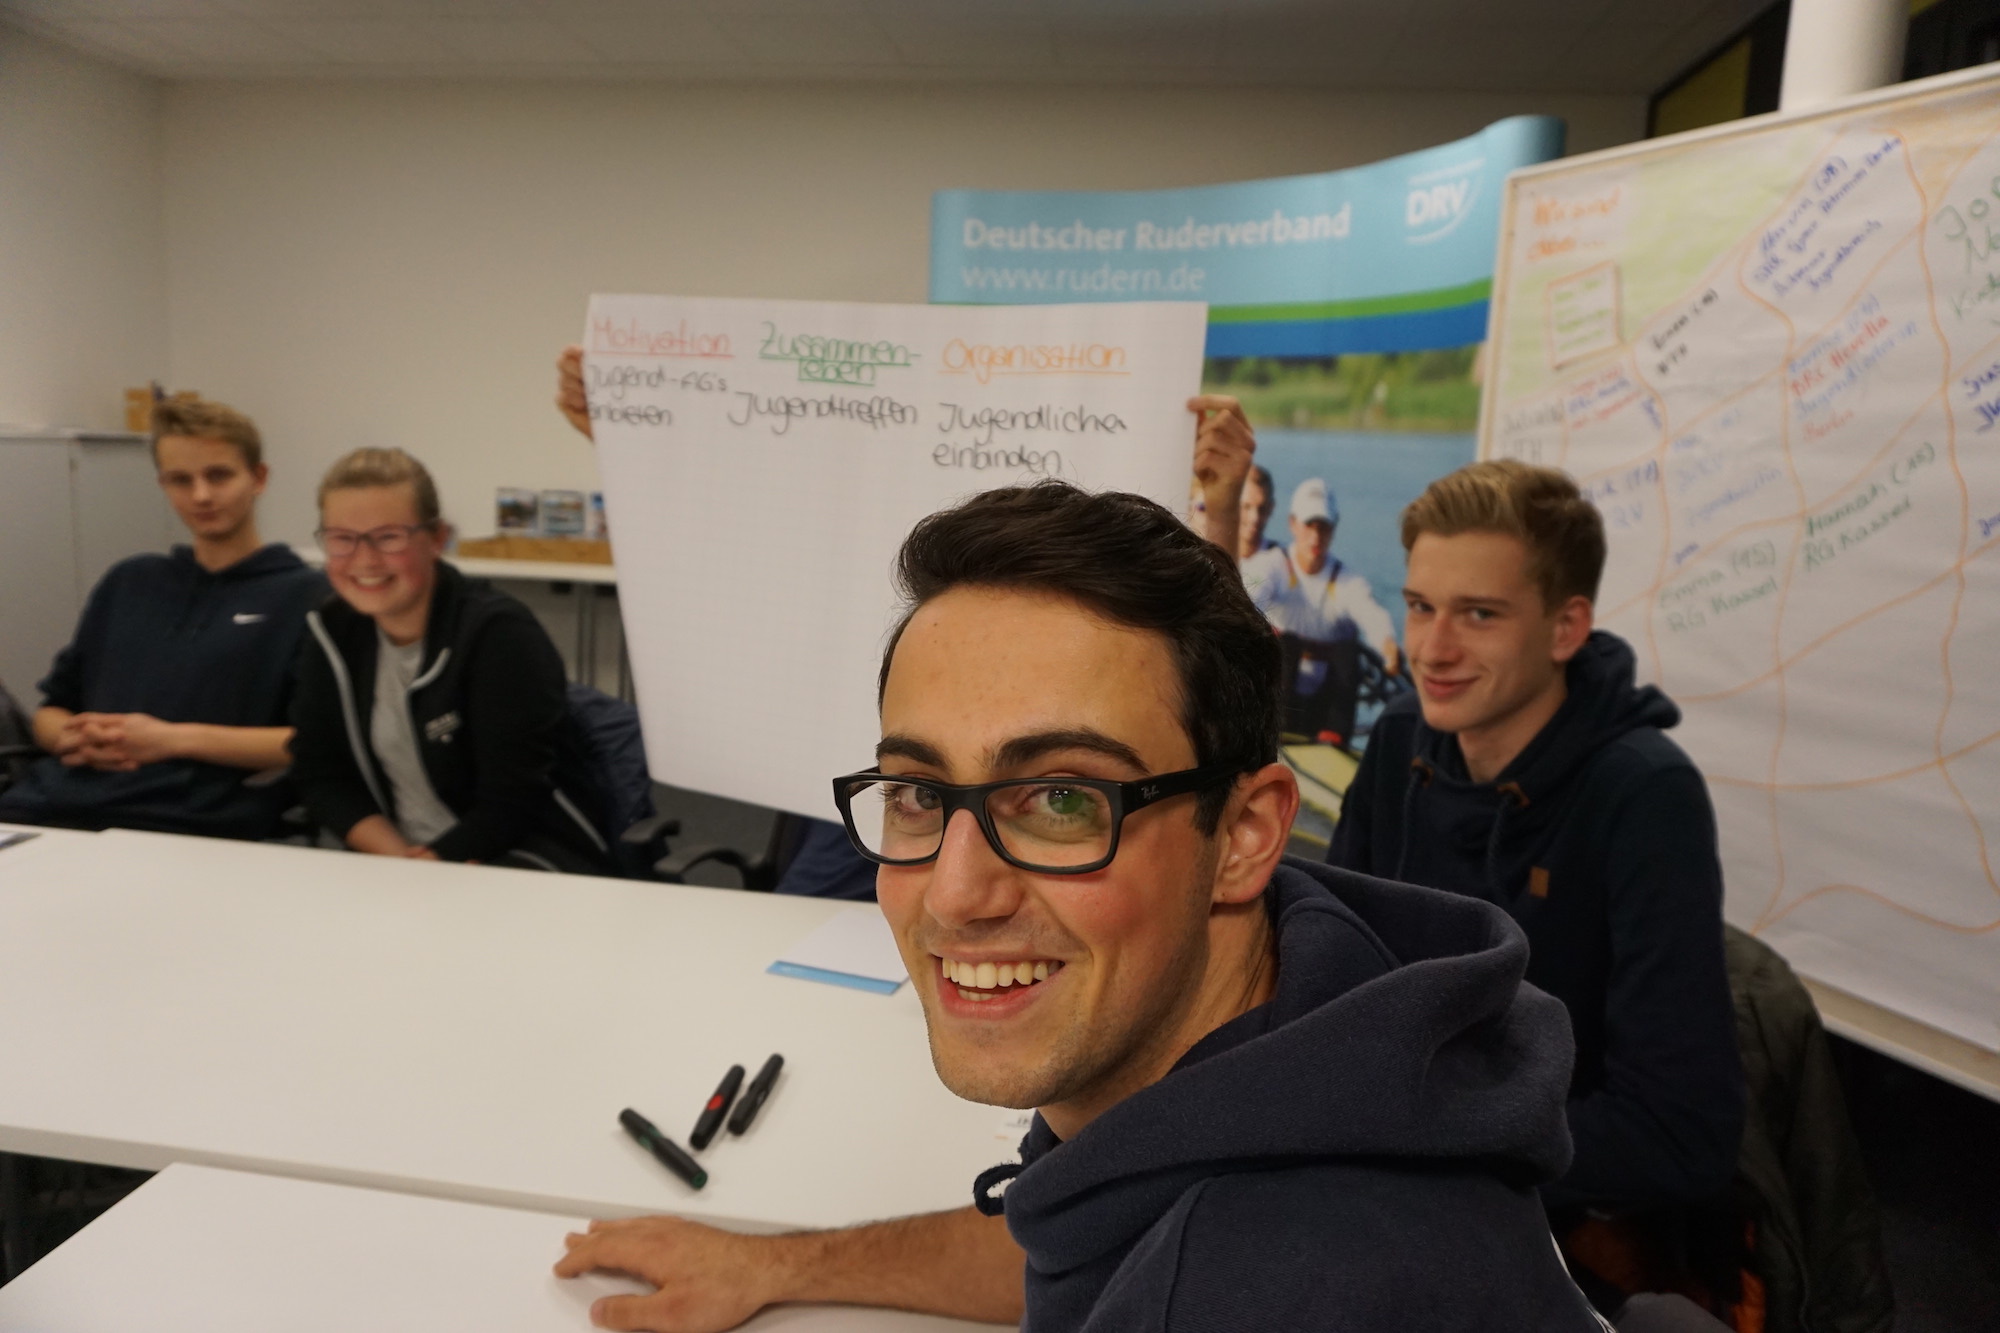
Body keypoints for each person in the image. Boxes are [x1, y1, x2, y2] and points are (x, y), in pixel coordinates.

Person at [557, 481, 1607, 1333]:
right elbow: (1085, 1224)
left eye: (1062, 798)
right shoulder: (1300, 1015)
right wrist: (779, 1265)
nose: (957, 893)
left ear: (1245, 833)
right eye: (919, 794)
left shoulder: (1284, 1281)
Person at [1328, 460, 1745, 1309]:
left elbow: (1680, 1131)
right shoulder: (1402, 738)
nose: (1433, 650)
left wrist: (1426, 1131)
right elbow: (1328, 967)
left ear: (1565, 628)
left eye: (1479, 614)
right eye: (1420, 606)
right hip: (1388, 1165)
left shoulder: (1643, 793)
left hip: (1540, 1210)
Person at [0, 396, 326, 839]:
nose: (201, 495)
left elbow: (312, 742)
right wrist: (71, 738)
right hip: (49, 809)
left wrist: (170, 740)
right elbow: (51, 711)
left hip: (185, 824)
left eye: (219, 475)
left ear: (258, 478)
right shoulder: (129, 581)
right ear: (163, 485)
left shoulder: (307, 596)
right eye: (180, 480)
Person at [287, 447, 615, 872]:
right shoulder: (331, 631)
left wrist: (433, 866)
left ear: (437, 539)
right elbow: (321, 773)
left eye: (389, 537)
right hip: (401, 862)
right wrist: (400, 861)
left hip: (518, 856)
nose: (365, 560)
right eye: (342, 539)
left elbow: (514, 801)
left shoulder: (499, 635)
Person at [1242, 476, 1400, 743]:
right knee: (1286, 645)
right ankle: (1272, 732)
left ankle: (1334, 738)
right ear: (1293, 524)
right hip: (1281, 698)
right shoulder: (1272, 565)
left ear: (1334, 528)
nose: (1316, 537)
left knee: (1347, 653)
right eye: (1309, 525)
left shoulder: (1346, 580)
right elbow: (1253, 594)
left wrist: (1388, 646)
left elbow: (1371, 614)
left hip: (1326, 705)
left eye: (1324, 527)